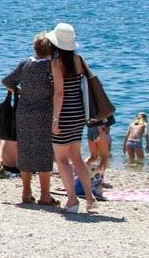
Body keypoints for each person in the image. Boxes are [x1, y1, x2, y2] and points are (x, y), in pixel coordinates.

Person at [2, 33, 58, 207]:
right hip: (44, 112)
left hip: (24, 111)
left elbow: (6, 81)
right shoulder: (51, 66)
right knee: (44, 152)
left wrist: (17, 91)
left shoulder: (24, 64)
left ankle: (26, 193)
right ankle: (45, 195)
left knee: (25, 150)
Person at [47, 23, 97, 213]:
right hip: (79, 114)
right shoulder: (79, 60)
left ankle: (72, 201)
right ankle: (90, 199)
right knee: (76, 157)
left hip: (64, 114)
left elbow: (59, 93)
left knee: (61, 159)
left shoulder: (57, 63)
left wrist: (55, 118)